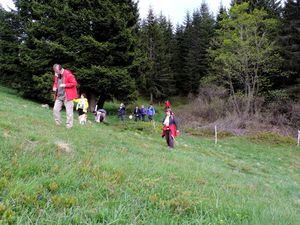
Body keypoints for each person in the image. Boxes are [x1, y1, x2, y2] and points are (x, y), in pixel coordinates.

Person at [52, 64, 78, 128]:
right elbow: (55, 82)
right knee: (55, 109)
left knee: (69, 112)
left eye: (56, 71)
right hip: (59, 95)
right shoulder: (56, 74)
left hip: (67, 96)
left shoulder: (68, 74)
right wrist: (54, 87)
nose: (55, 72)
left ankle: (69, 126)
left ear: (60, 70)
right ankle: (58, 124)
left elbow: (74, 83)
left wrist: (65, 85)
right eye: (55, 71)